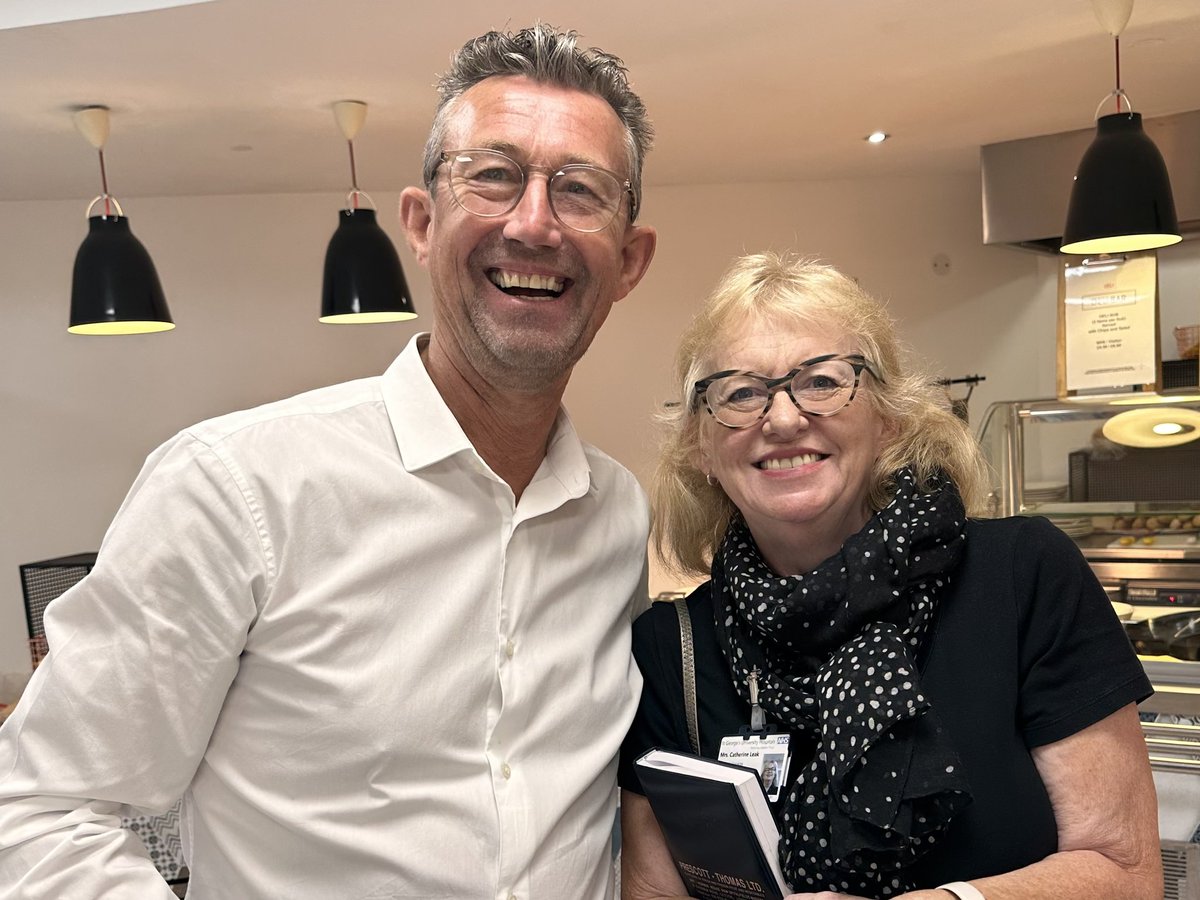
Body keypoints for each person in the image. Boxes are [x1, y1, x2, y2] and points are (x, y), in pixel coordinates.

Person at [0, 23, 657, 899]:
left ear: (630, 263)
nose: (533, 222)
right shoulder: (236, 489)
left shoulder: (617, 516)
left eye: (580, 191)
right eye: (494, 176)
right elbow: (45, 811)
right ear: (421, 224)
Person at [618, 253, 1161, 900]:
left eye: (822, 381)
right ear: (700, 447)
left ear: (889, 418)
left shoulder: (1022, 578)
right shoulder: (669, 648)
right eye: (740, 394)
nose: (784, 419)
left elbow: (1125, 873)